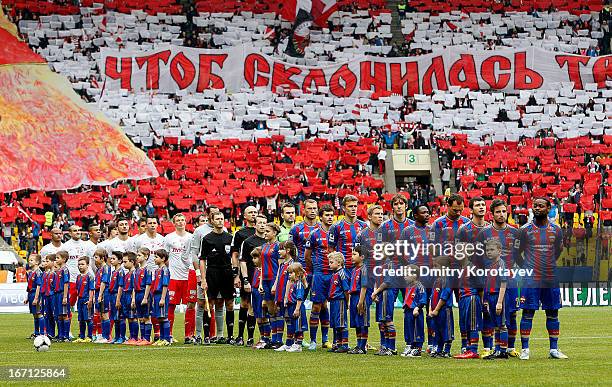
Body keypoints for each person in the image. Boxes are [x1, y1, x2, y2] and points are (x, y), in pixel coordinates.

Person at [515, 197, 568, 360]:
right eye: (535, 206)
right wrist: (527, 268)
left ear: (548, 208)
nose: (537, 208)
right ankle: (525, 350)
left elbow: (558, 250)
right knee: (528, 312)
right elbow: (517, 253)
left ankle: (554, 349)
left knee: (553, 312)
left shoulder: (557, 230)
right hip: (531, 279)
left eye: (541, 206)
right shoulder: (524, 230)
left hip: (550, 277)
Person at [477, 199, 520, 357]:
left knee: (512, 313)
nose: (501, 215)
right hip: (491, 281)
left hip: (510, 280)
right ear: (492, 214)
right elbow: (479, 257)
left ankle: (510, 347)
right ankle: (488, 348)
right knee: (488, 313)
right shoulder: (484, 233)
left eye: (504, 211)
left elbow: (518, 255)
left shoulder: (515, 232)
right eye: (498, 212)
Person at [455, 196, 489, 355]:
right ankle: (469, 347)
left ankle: (488, 348)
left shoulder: (490, 228)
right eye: (477, 205)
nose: (481, 207)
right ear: (471, 209)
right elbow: (459, 254)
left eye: (483, 204)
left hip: (488, 277)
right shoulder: (464, 229)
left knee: (488, 310)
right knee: (469, 311)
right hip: (468, 278)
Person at [199, 212, 238, 345]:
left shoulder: (230, 237)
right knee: (209, 304)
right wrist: (203, 279)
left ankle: (230, 336)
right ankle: (207, 337)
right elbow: (202, 260)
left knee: (230, 304)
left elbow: (234, 256)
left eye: (222, 219)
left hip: (227, 272)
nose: (220, 221)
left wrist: (235, 274)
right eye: (217, 219)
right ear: (212, 221)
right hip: (212, 272)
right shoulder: (207, 238)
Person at [400, 204, 435, 352]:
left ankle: (433, 344)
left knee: (431, 310)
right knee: (414, 310)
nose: (427, 214)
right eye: (423, 212)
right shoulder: (408, 231)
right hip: (415, 278)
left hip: (431, 276)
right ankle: (413, 343)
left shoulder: (432, 230)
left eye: (428, 212)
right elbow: (400, 252)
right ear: (415, 215)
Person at [304, 204, 335, 350]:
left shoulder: (337, 232)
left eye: (331, 215)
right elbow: (307, 256)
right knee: (317, 306)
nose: (329, 218)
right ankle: (313, 340)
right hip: (319, 274)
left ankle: (326, 339)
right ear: (321, 217)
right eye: (327, 215)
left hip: (333, 274)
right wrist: (316, 269)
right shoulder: (314, 234)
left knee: (329, 306)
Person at [163, 213, 194, 344]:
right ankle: (169, 334)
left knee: (191, 305)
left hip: (188, 276)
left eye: (182, 220)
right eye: (178, 220)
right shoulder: (169, 238)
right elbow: (164, 257)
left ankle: (189, 335)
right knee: (170, 306)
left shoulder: (192, 237)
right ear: (174, 223)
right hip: (174, 277)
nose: (181, 222)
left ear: (185, 222)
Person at [238, 214, 268, 346]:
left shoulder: (270, 241)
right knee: (246, 305)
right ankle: (243, 336)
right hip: (251, 278)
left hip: (266, 279)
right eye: (260, 223)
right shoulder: (248, 242)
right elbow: (243, 262)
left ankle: (264, 337)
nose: (262, 225)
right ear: (255, 225)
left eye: (264, 223)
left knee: (261, 307)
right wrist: (245, 280)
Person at [231, 206, 257, 346]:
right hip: (244, 272)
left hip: (259, 274)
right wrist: (236, 275)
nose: (253, 215)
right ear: (244, 216)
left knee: (255, 305)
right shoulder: (240, 234)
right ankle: (240, 336)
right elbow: (235, 255)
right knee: (244, 303)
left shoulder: (264, 232)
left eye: (255, 212)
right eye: (250, 213)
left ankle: (251, 337)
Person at [481, 239, 509, 360]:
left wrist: (499, 302)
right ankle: (497, 350)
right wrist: (486, 300)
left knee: (502, 324)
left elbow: (503, 283)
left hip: (498, 297)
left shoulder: (501, 264)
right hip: (491, 297)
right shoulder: (490, 265)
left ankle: (503, 351)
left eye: (492, 250)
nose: (489, 252)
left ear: (499, 251)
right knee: (496, 325)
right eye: (487, 250)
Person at [328, 195, 368, 275]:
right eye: (350, 206)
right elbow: (331, 249)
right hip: (343, 269)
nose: (353, 209)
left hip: (360, 269)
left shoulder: (364, 226)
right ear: (343, 208)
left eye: (355, 206)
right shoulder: (336, 227)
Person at [260, 222, 282, 349]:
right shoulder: (263, 246)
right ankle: (273, 339)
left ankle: (278, 339)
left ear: (274, 233)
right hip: (266, 280)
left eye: (268, 231)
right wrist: (261, 281)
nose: (265, 233)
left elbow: (280, 266)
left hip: (274, 279)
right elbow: (262, 265)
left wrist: (276, 283)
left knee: (277, 309)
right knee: (270, 310)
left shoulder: (279, 246)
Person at [272, 241, 296, 351]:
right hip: (280, 294)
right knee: (285, 317)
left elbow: (291, 281)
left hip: (288, 296)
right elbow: (278, 277)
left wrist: (287, 296)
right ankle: (287, 343)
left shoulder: (293, 264)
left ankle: (290, 342)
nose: (278, 251)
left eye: (281, 249)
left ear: (288, 251)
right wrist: (275, 286)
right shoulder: (282, 264)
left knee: (290, 318)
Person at [428, 256, 454, 358]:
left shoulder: (447, 279)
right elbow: (431, 296)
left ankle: (446, 351)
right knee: (437, 330)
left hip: (444, 310)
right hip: (435, 311)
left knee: (446, 330)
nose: (434, 269)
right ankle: (438, 349)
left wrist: (437, 309)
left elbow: (445, 295)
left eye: (436, 266)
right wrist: (431, 309)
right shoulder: (437, 280)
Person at [401, 265, 427, 357]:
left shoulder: (420, 286)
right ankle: (410, 345)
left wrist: (417, 308)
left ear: (414, 275)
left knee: (417, 329)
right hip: (408, 310)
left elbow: (423, 299)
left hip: (415, 312)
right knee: (408, 329)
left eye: (407, 274)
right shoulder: (408, 286)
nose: (405, 276)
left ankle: (418, 348)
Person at [327, 252, 350, 353]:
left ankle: (344, 345)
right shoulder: (334, 274)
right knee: (335, 323)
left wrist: (347, 302)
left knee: (341, 323)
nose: (329, 264)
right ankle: (337, 344)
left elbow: (346, 290)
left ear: (339, 263)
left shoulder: (342, 274)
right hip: (333, 301)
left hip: (340, 301)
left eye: (331, 262)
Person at [348, 245, 370, 355]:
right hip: (353, 297)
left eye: (354, 254)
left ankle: (362, 346)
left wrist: (361, 302)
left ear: (362, 257)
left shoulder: (364, 269)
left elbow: (364, 287)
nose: (351, 256)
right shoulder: (354, 270)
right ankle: (358, 345)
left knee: (363, 322)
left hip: (361, 297)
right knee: (357, 323)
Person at [283, 262, 308, 352]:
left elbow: (299, 298)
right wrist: (286, 300)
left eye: (291, 273)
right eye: (288, 273)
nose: (289, 275)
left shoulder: (299, 284)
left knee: (299, 326)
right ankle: (289, 344)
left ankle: (298, 345)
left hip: (297, 307)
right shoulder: (292, 283)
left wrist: (297, 309)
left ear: (297, 274)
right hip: (291, 306)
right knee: (292, 325)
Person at [251, 247, 272, 349]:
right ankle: (262, 337)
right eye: (253, 258)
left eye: (255, 257)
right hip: (254, 293)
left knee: (264, 316)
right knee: (258, 317)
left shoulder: (265, 270)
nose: (253, 260)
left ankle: (267, 338)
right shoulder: (255, 269)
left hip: (261, 294)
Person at [151, 249, 171, 346]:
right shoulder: (157, 270)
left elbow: (165, 285)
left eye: (156, 257)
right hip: (156, 295)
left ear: (163, 259)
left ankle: (167, 339)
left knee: (163, 317)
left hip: (162, 295)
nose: (154, 259)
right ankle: (162, 338)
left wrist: (163, 298)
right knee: (159, 318)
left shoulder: (165, 270)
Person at [135, 248, 153, 345]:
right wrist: (134, 298)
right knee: (140, 317)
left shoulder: (148, 269)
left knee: (146, 317)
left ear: (146, 257)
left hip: (144, 294)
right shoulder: (137, 270)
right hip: (137, 294)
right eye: (137, 255)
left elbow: (148, 284)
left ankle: (147, 338)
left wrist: (145, 297)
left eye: (139, 255)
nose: (137, 257)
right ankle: (142, 337)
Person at [74, 257, 94, 343]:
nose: (80, 266)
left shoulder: (90, 276)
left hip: (86, 300)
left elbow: (91, 289)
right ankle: (81, 336)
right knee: (81, 319)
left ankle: (89, 336)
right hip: (80, 300)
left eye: (82, 264)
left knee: (88, 318)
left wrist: (90, 300)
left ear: (87, 265)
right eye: (79, 264)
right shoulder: (78, 277)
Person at [94, 249, 112, 344]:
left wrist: (100, 295)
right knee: (101, 315)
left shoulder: (106, 268)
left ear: (102, 258)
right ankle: (102, 335)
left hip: (104, 293)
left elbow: (103, 282)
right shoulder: (98, 269)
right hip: (98, 292)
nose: (94, 259)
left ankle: (107, 336)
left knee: (105, 314)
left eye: (96, 257)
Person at [120, 252, 139, 345]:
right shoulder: (128, 273)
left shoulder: (135, 273)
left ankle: (135, 337)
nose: (124, 264)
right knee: (129, 318)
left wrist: (133, 299)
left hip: (131, 296)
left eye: (125, 262)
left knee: (133, 317)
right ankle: (131, 336)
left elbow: (135, 287)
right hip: (125, 296)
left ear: (132, 262)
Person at [53, 251, 71, 342]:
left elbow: (66, 284)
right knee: (59, 315)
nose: (56, 260)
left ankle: (66, 336)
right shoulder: (58, 270)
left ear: (64, 259)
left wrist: (65, 297)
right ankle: (60, 336)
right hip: (57, 295)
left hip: (62, 294)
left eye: (57, 258)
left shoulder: (65, 270)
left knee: (64, 315)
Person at [25, 253, 44, 338]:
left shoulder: (38, 272)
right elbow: (29, 286)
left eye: (31, 260)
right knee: (34, 314)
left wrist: (36, 298)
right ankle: (36, 333)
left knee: (39, 313)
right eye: (29, 260)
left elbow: (39, 286)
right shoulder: (30, 272)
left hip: (36, 295)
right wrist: (27, 298)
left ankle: (42, 333)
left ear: (37, 262)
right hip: (31, 294)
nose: (29, 261)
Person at [108, 251, 125, 344]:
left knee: (120, 317)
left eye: (114, 258)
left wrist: (118, 299)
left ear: (120, 261)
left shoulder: (120, 272)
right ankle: (117, 336)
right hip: (112, 296)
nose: (111, 260)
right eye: (111, 258)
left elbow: (120, 286)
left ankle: (122, 337)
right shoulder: (113, 271)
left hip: (117, 296)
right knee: (115, 317)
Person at [41, 255, 56, 339]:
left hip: (52, 296)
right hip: (46, 296)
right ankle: (49, 333)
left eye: (47, 261)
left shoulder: (54, 274)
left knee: (53, 315)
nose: (45, 263)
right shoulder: (45, 274)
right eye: (45, 261)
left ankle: (54, 333)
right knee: (47, 315)